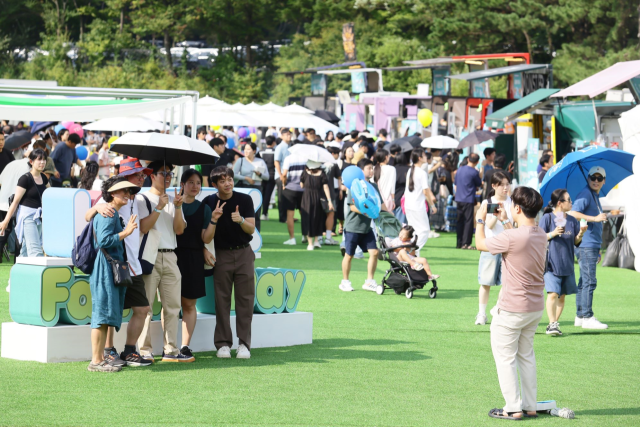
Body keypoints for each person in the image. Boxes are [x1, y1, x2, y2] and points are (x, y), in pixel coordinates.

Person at [474, 186, 546, 421]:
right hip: (534, 306)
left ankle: (513, 407)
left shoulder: (513, 236)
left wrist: (480, 219)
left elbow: (480, 244)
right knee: (526, 356)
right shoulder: (541, 234)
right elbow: (517, 241)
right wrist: (506, 221)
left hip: (512, 307)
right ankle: (529, 405)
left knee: (505, 358)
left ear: (516, 207)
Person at [84, 158, 154, 368]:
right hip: (112, 265)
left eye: (143, 175)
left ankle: (129, 351)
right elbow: (89, 217)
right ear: (124, 177)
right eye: (138, 174)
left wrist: (160, 208)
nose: (141, 178)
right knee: (107, 311)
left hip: (132, 265)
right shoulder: (109, 202)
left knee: (139, 309)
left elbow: (143, 227)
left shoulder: (138, 200)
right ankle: (106, 353)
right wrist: (99, 208)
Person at [137, 161, 189, 362]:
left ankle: (171, 349)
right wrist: (159, 207)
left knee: (173, 306)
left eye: (170, 174)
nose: (167, 177)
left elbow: (179, 230)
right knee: (146, 306)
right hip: (150, 254)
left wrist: (177, 207)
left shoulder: (174, 199)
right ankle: (144, 350)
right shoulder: (142, 198)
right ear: (152, 175)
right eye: (163, 173)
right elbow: (143, 227)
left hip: (170, 254)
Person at [87, 177, 140, 372]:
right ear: (111, 194)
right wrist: (126, 233)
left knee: (103, 315)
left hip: (108, 267)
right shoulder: (108, 213)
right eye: (122, 191)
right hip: (104, 268)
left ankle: (100, 359)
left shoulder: (110, 212)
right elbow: (104, 241)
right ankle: (96, 360)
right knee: (100, 315)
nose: (127, 194)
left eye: (128, 191)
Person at [203, 166, 256, 359]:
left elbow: (251, 229)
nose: (228, 183)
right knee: (222, 301)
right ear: (215, 184)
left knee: (245, 300)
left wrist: (240, 220)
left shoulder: (244, 199)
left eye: (230, 179)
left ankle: (244, 344)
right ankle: (223, 344)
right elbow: (202, 234)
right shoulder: (208, 202)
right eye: (223, 181)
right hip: (221, 255)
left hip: (244, 254)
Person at [176, 169, 214, 360]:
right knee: (171, 305)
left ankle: (185, 346)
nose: (195, 186)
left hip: (193, 259)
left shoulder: (204, 208)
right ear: (182, 184)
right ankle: (168, 347)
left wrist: (204, 249)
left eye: (198, 183)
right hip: (172, 257)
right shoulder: (171, 204)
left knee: (189, 304)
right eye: (190, 182)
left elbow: (204, 238)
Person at [540, 189, 587, 336]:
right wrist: (553, 233)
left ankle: (553, 324)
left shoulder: (572, 220)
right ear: (560, 203)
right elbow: (539, 238)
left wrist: (580, 234)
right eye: (569, 200)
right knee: (553, 293)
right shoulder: (547, 218)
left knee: (562, 296)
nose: (571, 203)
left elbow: (575, 241)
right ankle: (553, 323)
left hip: (567, 263)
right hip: (550, 264)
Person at [568, 166, 609, 329]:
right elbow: (572, 213)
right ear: (588, 178)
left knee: (584, 280)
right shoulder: (586, 193)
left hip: (590, 244)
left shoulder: (593, 195)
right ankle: (586, 316)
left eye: (600, 178)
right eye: (593, 178)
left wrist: (598, 247)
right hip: (585, 244)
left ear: (604, 181)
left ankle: (580, 315)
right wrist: (595, 218)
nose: (596, 181)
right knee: (589, 281)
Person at [475, 171, 513, 326]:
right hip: (490, 244)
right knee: (485, 282)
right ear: (494, 186)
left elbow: (514, 225)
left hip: (508, 246)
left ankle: (498, 309)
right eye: (501, 185)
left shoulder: (513, 202)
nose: (505, 188)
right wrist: (497, 215)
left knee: (508, 282)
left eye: (507, 184)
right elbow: (488, 225)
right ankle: (481, 313)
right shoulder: (487, 203)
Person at [340, 159, 382, 293]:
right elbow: (352, 207)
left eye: (372, 168)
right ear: (361, 170)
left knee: (374, 252)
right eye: (369, 168)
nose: (372, 171)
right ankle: (345, 282)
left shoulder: (373, 186)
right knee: (349, 255)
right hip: (353, 227)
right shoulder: (355, 186)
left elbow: (379, 203)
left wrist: (388, 212)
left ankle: (369, 281)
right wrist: (367, 212)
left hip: (366, 228)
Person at [0, 149, 49, 257]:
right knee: (35, 250)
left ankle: (18, 272)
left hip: (39, 217)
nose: (42, 162)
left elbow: (50, 195)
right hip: (27, 217)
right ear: (31, 162)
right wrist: (5, 221)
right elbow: (15, 202)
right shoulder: (25, 179)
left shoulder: (44, 178)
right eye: (39, 159)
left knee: (26, 251)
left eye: (44, 159)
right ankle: (39, 273)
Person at [404, 148, 437, 256]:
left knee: (413, 230)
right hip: (417, 205)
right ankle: (412, 251)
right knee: (424, 231)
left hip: (409, 205)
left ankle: (411, 253)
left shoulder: (411, 170)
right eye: (423, 155)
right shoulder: (421, 172)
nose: (425, 157)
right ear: (419, 158)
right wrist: (432, 205)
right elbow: (425, 191)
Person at [0, 157, 30, 267]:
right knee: (19, 231)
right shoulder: (28, 170)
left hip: (3, 200)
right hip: (16, 202)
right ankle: (18, 259)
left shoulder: (11, 164)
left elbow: (1, 182)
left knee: (5, 230)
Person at [233, 142, 268, 231]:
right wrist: (246, 178)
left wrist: (259, 174)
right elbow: (233, 174)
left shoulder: (260, 161)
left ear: (254, 151)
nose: (246, 151)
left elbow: (267, 177)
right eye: (245, 149)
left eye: (249, 149)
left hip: (257, 188)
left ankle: (256, 234)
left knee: (256, 212)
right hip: (243, 188)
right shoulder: (240, 160)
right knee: (242, 211)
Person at [300, 159, 333, 251]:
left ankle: (310, 243)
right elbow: (326, 187)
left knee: (308, 219)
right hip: (318, 198)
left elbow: (301, 185)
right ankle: (316, 241)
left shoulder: (305, 173)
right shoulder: (322, 173)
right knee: (317, 218)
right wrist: (329, 201)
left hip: (307, 198)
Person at [455, 153, 482, 249]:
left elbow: (456, 183)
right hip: (468, 199)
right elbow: (479, 183)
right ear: (477, 162)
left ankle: (459, 242)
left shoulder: (460, 169)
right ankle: (466, 243)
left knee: (460, 221)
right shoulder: (474, 172)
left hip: (459, 198)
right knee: (468, 221)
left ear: (468, 159)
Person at [281, 151, 308, 245]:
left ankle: (292, 238)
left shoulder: (288, 158)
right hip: (303, 189)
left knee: (290, 215)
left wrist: (283, 184)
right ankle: (305, 235)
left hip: (290, 188)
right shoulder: (305, 159)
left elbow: (284, 175)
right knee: (304, 213)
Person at [323, 143, 342, 245]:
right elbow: (339, 177)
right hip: (330, 191)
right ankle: (328, 236)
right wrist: (340, 190)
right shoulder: (333, 164)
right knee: (330, 213)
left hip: (317, 192)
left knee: (320, 215)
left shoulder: (318, 163)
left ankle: (319, 237)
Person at [274, 129, 292, 223]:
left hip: (288, 175)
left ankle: (287, 216)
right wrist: (280, 175)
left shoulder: (290, 146)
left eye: (290, 134)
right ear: (282, 136)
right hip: (281, 175)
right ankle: (282, 217)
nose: (289, 136)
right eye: (287, 135)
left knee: (287, 197)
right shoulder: (280, 147)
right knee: (281, 197)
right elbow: (276, 162)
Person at [260, 136, 277, 221]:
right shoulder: (275, 152)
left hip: (262, 175)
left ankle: (262, 213)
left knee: (262, 195)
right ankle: (264, 213)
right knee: (268, 195)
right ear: (273, 142)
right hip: (272, 175)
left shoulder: (261, 152)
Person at [393, 150, 410, 224]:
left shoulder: (392, 169)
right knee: (402, 224)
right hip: (404, 199)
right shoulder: (408, 169)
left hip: (392, 199)